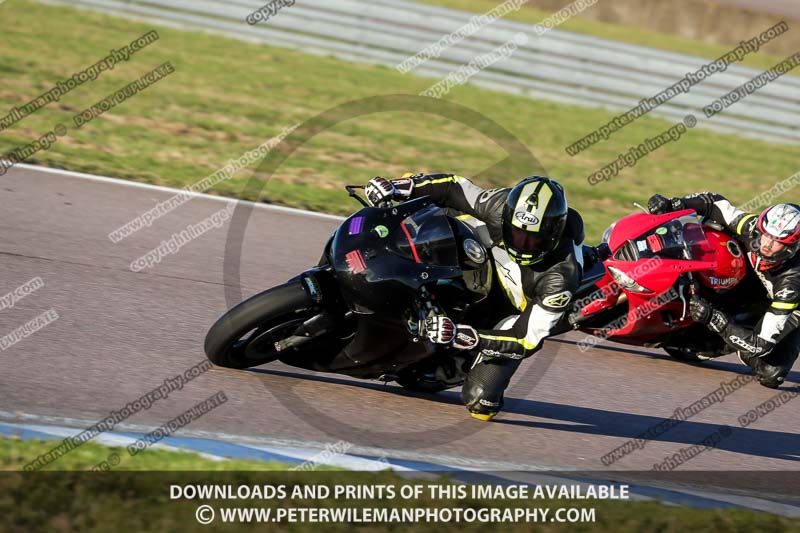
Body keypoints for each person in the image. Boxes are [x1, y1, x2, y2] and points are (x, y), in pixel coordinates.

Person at [365, 173, 586, 420]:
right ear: (507, 217)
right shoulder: (500, 206)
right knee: (436, 219)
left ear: (553, 235)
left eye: (534, 239)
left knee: (481, 402)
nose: (522, 243)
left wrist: (463, 336)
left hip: (516, 311)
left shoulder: (560, 278)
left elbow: (525, 340)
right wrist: (399, 187)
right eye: (516, 232)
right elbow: (453, 187)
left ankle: (464, 360)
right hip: (485, 264)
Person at [648, 192, 800, 388]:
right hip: (753, 280)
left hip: (790, 309)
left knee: (771, 372)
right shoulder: (753, 227)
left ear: (791, 247)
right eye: (765, 235)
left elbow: (759, 345)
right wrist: (674, 203)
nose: (767, 244)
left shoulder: (792, 281)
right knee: (715, 227)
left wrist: (717, 320)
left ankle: (738, 329)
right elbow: (714, 204)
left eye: (777, 241)